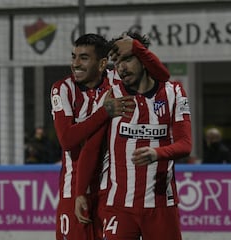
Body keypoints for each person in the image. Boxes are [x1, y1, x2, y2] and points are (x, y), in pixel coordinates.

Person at [50, 33, 170, 240]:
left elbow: (160, 77)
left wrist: (135, 47)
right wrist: (104, 112)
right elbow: (67, 140)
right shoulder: (63, 89)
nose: (75, 64)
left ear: (103, 63)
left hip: (110, 190)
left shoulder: (117, 81)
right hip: (74, 187)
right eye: (73, 57)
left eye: (84, 58)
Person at [75, 32, 191, 240]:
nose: (121, 67)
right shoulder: (109, 95)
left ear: (144, 59)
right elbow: (91, 147)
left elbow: (185, 144)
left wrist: (157, 153)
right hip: (118, 205)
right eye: (117, 62)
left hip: (161, 205)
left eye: (127, 59)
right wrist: (80, 192)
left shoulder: (174, 92)